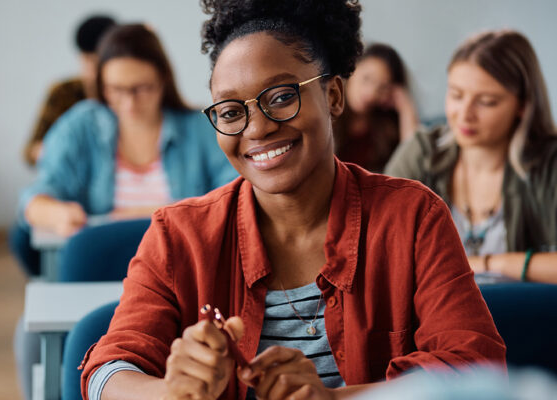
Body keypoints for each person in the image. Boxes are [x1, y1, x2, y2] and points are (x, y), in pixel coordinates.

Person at [81, 1, 505, 400]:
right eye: (230, 111)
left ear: (334, 96)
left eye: (282, 96)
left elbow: (475, 369)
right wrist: (168, 391)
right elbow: (105, 372)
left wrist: (334, 398)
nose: (257, 128)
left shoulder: (412, 217)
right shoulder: (179, 235)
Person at [12, 23, 238, 400]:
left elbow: (235, 194)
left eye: (141, 88)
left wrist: (136, 212)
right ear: (101, 86)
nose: (129, 102)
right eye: (116, 90)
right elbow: (35, 196)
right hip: (101, 267)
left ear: (163, 81)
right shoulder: (82, 124)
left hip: (183, 278)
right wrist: (58, 214)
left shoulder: (199, 129)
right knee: (32, 335)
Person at [385, 29, 557, 284]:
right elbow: (373, 243)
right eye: (456, 95)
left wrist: (487, 264)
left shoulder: (548, 162)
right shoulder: (422, 152)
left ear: (523, 105)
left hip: (518, 319)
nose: (464, 114)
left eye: (486, 101)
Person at [21, 15, 116, 167]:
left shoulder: (123, 96)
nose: (93, 71)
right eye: (87, 60)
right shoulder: (63, 92)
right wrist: (55, 151)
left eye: (99, 62)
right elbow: (29, 152)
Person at [334, 43, 418, 172]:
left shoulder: (385, 131)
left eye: (382, 87)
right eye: (366, 78)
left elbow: (413, 165)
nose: (370, 93)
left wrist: (406, 109)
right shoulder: (326, 113)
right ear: (351, 69)